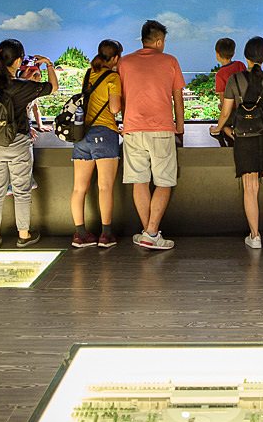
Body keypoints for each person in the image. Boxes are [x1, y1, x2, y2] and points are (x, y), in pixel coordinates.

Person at [212, 36, 263, 249]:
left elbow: (225, 112)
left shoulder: (235, 80)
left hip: (244, 139)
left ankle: (255, 236)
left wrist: (218, 128)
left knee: (250, 188)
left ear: (246, 56)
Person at [0, 39, 58, 249]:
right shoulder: (21, 87)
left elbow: (3, 81)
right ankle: (23, 234)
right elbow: (53, 88)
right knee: (21, 190)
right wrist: (49, 64)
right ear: (18, 60)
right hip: (16, 143)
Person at [118, 20, 184, 251]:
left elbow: (121, 97)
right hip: (161, 129)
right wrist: (181, 126)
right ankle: (152, 231)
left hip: (132, 130)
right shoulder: (170, 61)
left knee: (140, 181)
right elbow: (177, 97)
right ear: (158, 41)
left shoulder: (124, 63)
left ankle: (148, 232)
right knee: (164, 181)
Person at [70, 39, 124, 249]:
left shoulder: (88, 73)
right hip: (104, 133)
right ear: (116, 58)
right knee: (105, 187)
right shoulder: (113, 77)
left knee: (78, 189)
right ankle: (106, 235)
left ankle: (80, 234)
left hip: (82, 134)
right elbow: (114, 109)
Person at [212, 37, 246, 147]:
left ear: (217, 54)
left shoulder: (220, 74)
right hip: (245, 107)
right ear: (233, 52)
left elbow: (223, 98)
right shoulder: (240, 65)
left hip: (233, 110)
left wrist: (222, 107)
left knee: (223, 126)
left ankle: (234, 135)